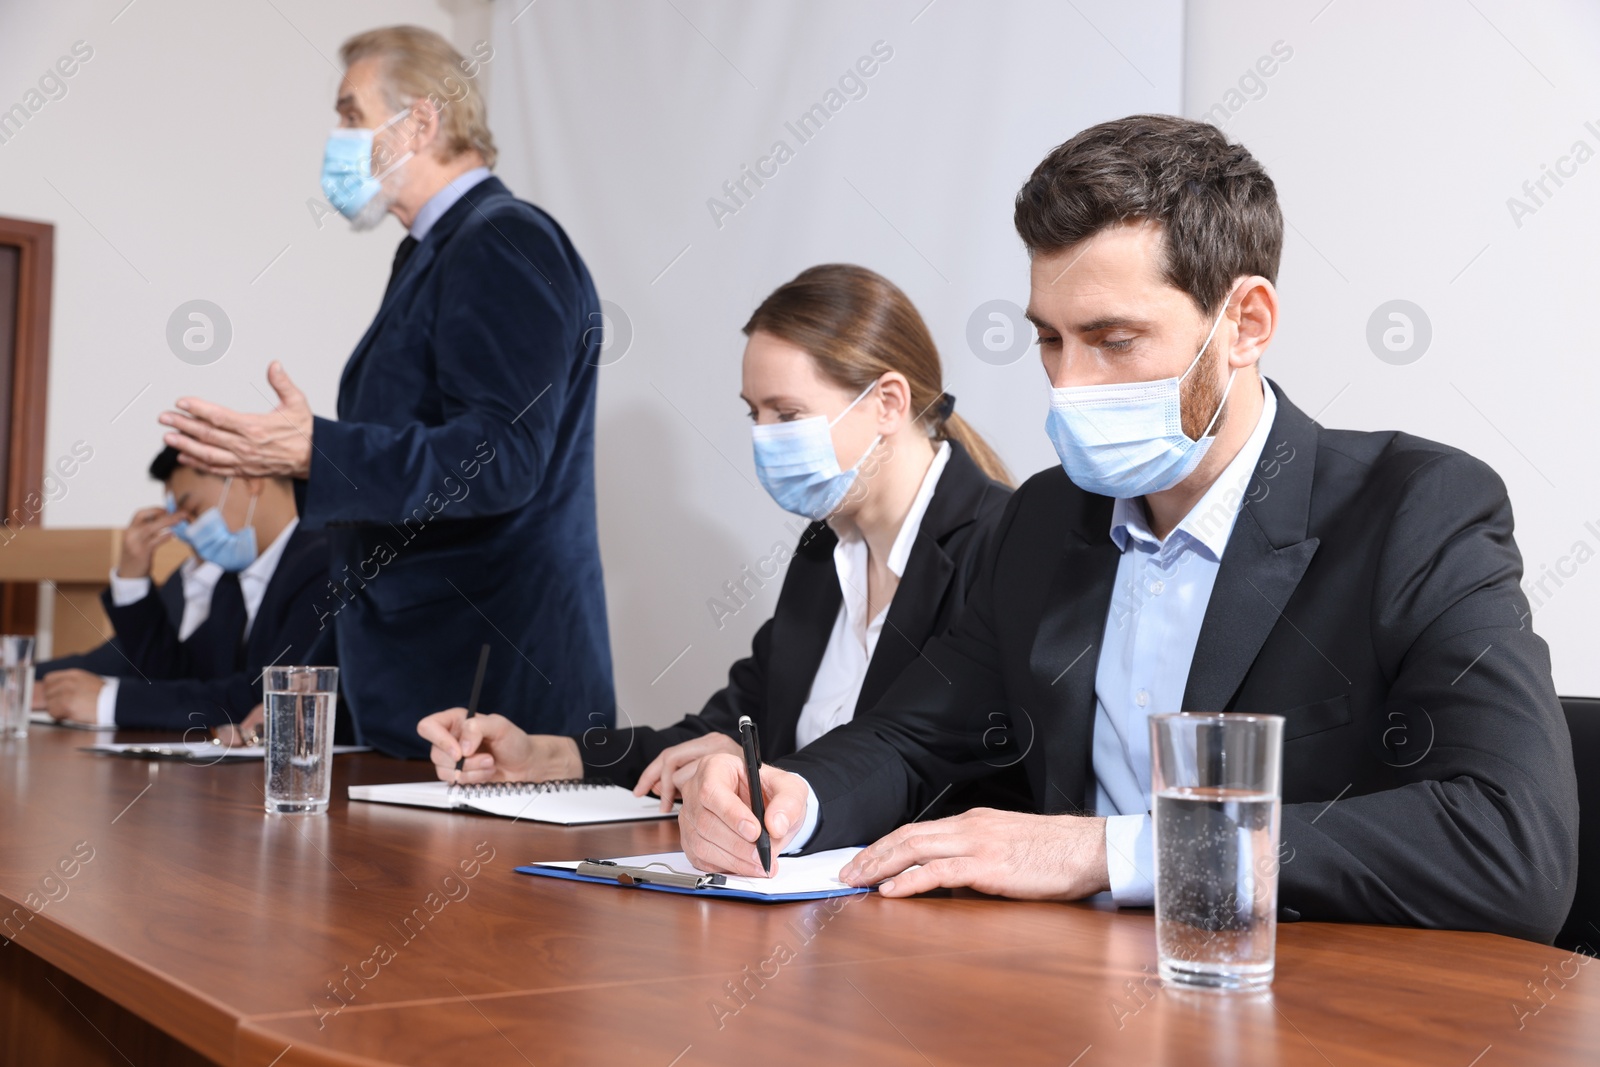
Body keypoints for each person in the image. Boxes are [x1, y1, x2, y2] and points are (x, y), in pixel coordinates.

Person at [674, 115, 1580, 944]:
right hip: (1067, 998)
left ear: (1246, 324)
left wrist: (1108, 852)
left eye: (1115, 340)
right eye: (1051, 340)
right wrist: (795, 796)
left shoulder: (1414, 509)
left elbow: (1510, 843)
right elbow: (914, 736)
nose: (1069, 385)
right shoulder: (1041, 520)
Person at [155, 26, 613, 757]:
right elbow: (388, 532)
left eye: (350, 114)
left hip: (488, 691)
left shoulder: (502, 238)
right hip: (417, 687)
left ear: (423, 121)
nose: (337, 137)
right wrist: (298, 684)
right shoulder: (434, 252)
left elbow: (501, 455)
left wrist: (318, 450)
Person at [419, 264, 1019, 812]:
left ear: (888, 403)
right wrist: (545, 757)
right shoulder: (823, 552)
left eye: (786, 414)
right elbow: (727, 732)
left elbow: (952, 765)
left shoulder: (1000, 542)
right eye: (752, 413)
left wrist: (754, 773)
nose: (762, 437)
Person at [35, 446, 327, 733]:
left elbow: (273, 696)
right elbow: (181, 679)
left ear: (250, 480)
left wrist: (110, 701)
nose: (188, 531)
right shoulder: (233, 583)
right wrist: (133, 579)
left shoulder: (326, 561)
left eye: (194, 510)